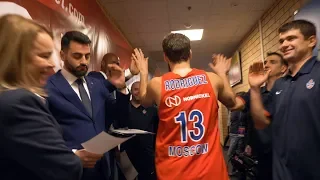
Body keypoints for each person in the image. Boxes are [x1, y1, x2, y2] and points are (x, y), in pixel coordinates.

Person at [131, 33, 244, 180]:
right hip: (209, 171)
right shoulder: (211, 79)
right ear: (190, 53)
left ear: (165, 57)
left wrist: (144, 72)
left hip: (173, 171)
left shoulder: (157, 85)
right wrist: (222, 73)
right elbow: (232, 102)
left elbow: (144, 101)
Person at [0, 14, 82, 180]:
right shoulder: (19, 102)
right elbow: (66, 168)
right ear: (16, 56)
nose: (52, 64)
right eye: (44, 56)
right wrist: (74, 157)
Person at [46, 31, 130, 180]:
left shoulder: (97, 85)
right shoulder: (49, 88)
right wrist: (72, 155)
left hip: (105, 169)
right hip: (73, 171)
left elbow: (119, 118)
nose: (84, 61)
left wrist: (122, 89)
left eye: (87, 56)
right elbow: (45, 136)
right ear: (63, 55)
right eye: (77, 56)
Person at [248, 20, 319, 180]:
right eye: (281, 41)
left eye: (291, 38)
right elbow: (261, 123)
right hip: (281, 172)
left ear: (311, 41)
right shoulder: (281, 83)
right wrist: (254, 89)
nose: (284, 44)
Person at [242, 51, 288, 180]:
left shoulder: (289, 90)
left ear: (283, 68)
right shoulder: (255, 92)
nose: (266, 65)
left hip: (282, 154)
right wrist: (223, 75)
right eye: (265, 62)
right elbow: (234, 104)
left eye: (272, 62)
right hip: (259, 156)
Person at [123, 81, 158, 180]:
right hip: (127, 156)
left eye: (141, 89)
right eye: (135, 89)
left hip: (147, 156)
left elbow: (158, 131)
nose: (138, 92)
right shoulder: (123, 109)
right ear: (131, 91)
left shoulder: (153, 110)